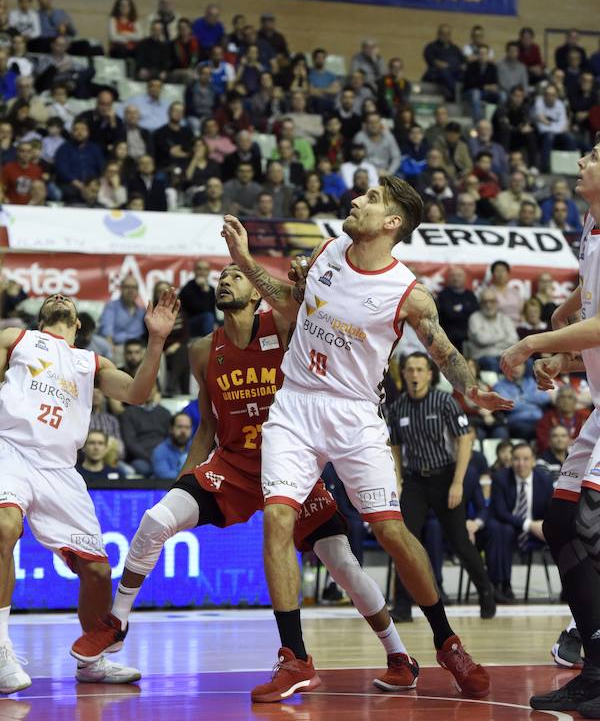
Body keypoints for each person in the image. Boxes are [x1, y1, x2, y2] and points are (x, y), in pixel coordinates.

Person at [214, 178, 511, 702]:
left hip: (355, 415)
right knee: (279, 517)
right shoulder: (327, 250)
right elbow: (289, 302)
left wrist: (471, 390)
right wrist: (246, 257)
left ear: (392, 223)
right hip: (297, 403)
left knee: (391, 532)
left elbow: (442, 352)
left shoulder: (408, 293)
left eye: (371, 200)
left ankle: (447, 642)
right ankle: (295, 658)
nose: (356, 201)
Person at [71, 262, 422, 695]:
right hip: (234, 466)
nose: (225, 280)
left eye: (236, 276)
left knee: (344, 566)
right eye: (222, 276)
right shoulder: (203, 349)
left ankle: (400, 655)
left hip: (294, 467)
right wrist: (185, 480)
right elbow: (205, 427)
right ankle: (117, 621)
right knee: (155, 521)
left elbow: (308, 308)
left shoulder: (282, 325)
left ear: (257, 293)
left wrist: (301, 276)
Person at [0, 288, 179, 693]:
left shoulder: (89, 361)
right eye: (50, 296)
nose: (59, 294)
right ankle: (0, 649)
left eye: (67, 298)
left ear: (79, 325)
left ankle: (92, 662)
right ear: (40, 316)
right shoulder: (17, 339)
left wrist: (155, 341)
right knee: (3, 527)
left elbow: (137, 393)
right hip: (10, 449)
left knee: (97, 570)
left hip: (61, 468)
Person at [499, 139, 600, 713]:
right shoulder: (590, 220)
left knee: (590, 525)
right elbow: (592, 296)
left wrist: (537, 340)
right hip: (598, 404)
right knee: (561, 522)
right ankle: (594, 662)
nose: (582, 161)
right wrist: (566, 321)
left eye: (593, 155)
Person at [387, 353, 496, 622]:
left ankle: (486, 592)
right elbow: (396, 447)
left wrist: (458, 483)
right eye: (409, 370)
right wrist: (398, 479)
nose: (414, 375)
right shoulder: (397, 407)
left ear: (429, 374)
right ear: (404, 374)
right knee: (404, 543)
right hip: (414, 480)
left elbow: (465, 439)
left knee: (460, 541)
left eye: (419, 370)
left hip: (445, 477)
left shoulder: (444, 401)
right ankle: (402, 605)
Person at [486, 442, 554, 605]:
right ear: (511, 461)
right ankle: (501, 585)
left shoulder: (544, 481)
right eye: (516, 459)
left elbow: (551, 511)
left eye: (525, 459)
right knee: (501, 529)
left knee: (564, 535)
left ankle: (570, 589)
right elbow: (501, 512)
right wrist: (528, 524)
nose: (521, 463)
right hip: (509, 526)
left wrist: (544, 525)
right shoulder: (500, 478)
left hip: (536, 530)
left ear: (533, 461)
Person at [493, 362, 551, 440]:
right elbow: (509, 404)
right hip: (518, 421)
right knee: (532, 430)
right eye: (513, 365)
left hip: (539, 419)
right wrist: (533, 398)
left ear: (524, 367)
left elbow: (545, 398)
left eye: (520, 365)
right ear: (506, 368)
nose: (516, 368)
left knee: (554, 429)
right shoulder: (499, 386)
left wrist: (521, 398)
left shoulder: (531, 381)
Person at [467, 288, 518, 372]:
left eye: (491, 301)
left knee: (528, 362)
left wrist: (492, 342)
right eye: (485, 302)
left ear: (497, 303)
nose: (488, 305)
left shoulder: (505, 318)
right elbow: (481, 340)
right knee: (491, 362)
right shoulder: (474, 318)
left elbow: (514, 340)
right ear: (480, 304)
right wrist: (503, 336)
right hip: (483, 357)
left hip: (505, 356)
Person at [97, 277, 146, 361]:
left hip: (137, 348)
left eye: (134, 288)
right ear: (121, 289)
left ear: (138, 291)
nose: (131, 290)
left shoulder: (142, 312)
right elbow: (107, 332)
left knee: (158, 356)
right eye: (127, 287)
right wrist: (110, 348)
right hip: (117, 347)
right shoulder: (111, 306)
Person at [436, 266, 479, 352]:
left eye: (459, 276)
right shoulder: (443, 295)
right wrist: (466, 309)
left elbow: (476, 315)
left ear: (464, 278)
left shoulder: (470, 295)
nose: (456, 278)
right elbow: (449, 315)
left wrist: (458, 310)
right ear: (448, 278)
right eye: (453, 276)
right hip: (448, 339)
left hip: (470, 338)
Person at [537, 386, 587, 452]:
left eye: (570, 397)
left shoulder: (583, 418)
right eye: (562, 397)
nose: (566, 400)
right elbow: (542, 441)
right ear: (557, 400)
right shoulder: (547, 418)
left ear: (575, 401)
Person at [178, 259, 217, 338]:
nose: (202, 272)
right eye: (199, 269)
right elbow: (200, 309)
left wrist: (216, 322)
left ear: (209, 272)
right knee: (208, 317)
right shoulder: (187, 288)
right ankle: (209, 343)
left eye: (205, 269)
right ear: (194, 271)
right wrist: (204, 290)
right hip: (189, 324)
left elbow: (212, 309)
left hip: (207, 322)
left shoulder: (211, 289)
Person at [151, 413, 193, 479]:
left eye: (187, 427)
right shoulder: (160, 451)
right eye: (179, 427)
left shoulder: (196, 449)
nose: (183, 431)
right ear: (171, 429)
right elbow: (163, 476)